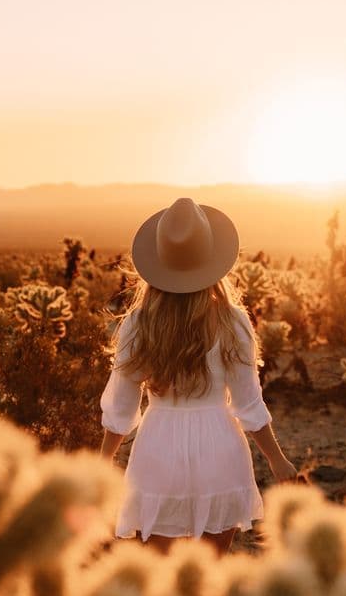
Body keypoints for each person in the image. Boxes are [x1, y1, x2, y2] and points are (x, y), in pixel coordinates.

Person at [99, 197, 297, 555]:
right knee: (207, 575)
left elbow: (121, 409)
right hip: (219, 451)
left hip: (158, 452)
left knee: (162, 583)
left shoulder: (138, 324)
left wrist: (102, 461)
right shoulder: (232, 321)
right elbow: (248, 404)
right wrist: (276, 459)